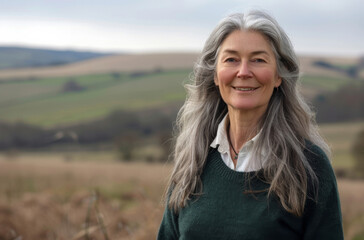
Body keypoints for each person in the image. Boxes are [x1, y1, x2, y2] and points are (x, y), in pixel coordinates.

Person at [157, 10, 343, 240]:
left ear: (278, 76)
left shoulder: (309, 167)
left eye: (258, 60)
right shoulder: (193, 158)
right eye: (231, 59)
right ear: (215, 75)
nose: (243, 72)